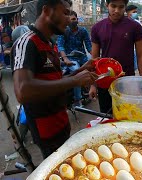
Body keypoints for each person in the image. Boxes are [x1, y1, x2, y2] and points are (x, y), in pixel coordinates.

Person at [10, 0, 98, 158]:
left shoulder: (50, 44)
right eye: (65, 13)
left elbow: (54, 82)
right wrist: (75, 81)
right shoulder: (26, 43)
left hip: (61, 124)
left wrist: (79, 70)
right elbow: (23, 91)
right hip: (46, 132)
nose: (69, 19)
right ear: (46, 11)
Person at [89, 0, 142, 113]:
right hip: (104, 81)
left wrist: (141, 82)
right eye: (113, 6)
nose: (117, 10)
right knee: (107, 117)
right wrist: (93, 85)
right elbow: (94, 58)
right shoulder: (97, 28)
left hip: (127, 80)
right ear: (107, 6)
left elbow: (140, 56)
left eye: (121, 7)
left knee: (127, 116)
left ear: (125, 7)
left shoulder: (135, 27)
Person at [56, 10, 92, 107]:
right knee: (76, 73)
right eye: (70, 19)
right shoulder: (64, 31)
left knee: (94, 68)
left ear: (77, 19)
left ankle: (91, 90)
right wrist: (65, 58)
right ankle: (77, 101)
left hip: (82, 57)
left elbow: (89, 46)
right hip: (70, 59)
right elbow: (60, 46)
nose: (72, 21)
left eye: (74, 19)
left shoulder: (83, 31)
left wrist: (96, 57)